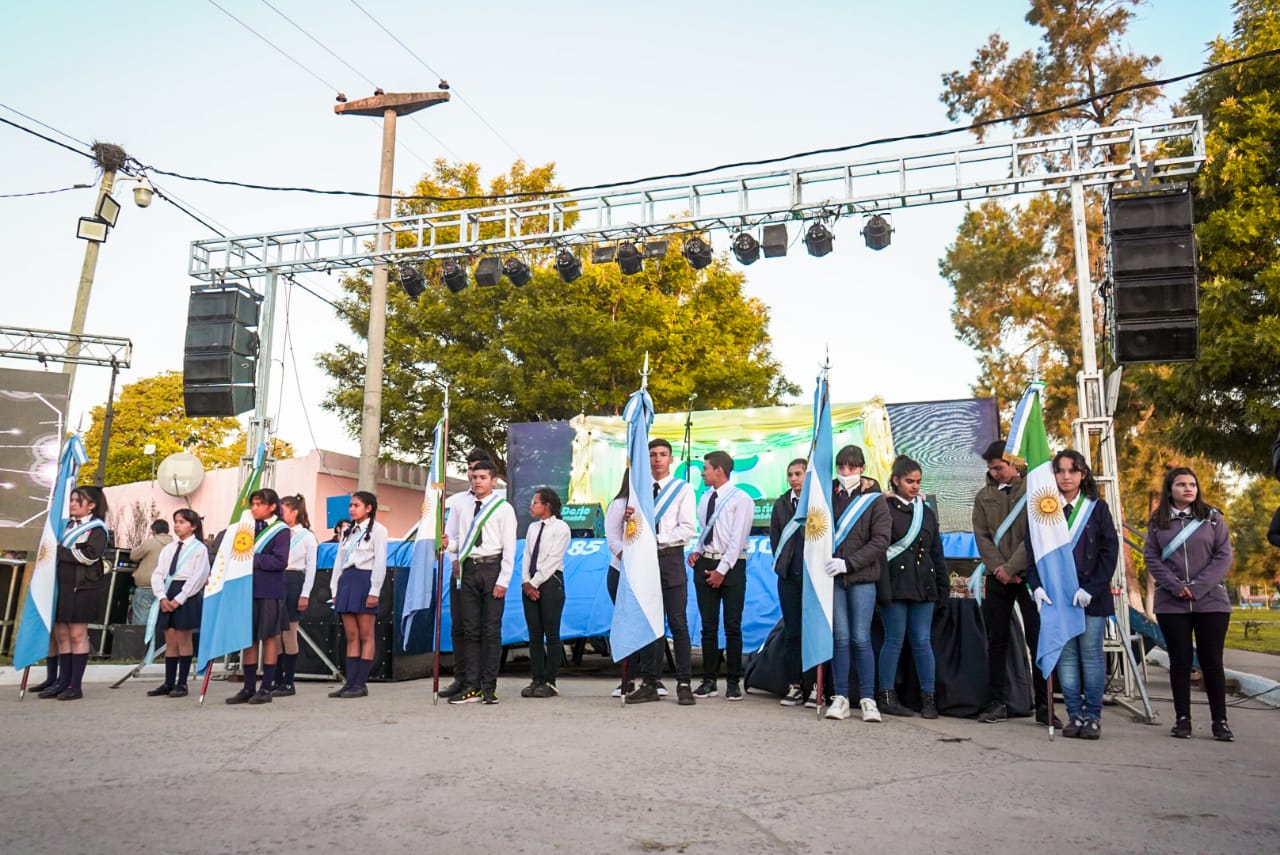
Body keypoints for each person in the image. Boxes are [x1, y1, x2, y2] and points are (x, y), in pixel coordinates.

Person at [1027, 450, 1119, 740]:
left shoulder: (1097, 508)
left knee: (1090, 656)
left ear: (1083, 475)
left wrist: (1091, 588)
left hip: (1089, 596)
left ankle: (1093, 716)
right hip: (1057, 598)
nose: (1066, 477)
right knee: (1065, 658)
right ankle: (1074, 715)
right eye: (1060, 471)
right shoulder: (1045, 509)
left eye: (1072, 471)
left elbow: (1109, 551)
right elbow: (1033, 550)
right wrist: (1035, 585)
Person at [1143, 467, 1235, 742]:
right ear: (1170, 488)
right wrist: (1175, 586)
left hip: (1211, 602)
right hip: (1172, 604)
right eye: (1181, 484)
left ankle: (1220, 721)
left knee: (1211, 662)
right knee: (1180, 662)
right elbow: (1152, 558)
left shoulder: (1213, 518)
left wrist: (1197, 587)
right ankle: (1183, 719)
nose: (1188, 489)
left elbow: (1223, 556)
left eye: (1192, 484)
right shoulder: (1158, 521)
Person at [973, 440, 1058, 726]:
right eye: (991, 469)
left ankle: (1045, 706)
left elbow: (1035, 533)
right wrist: (999, 568)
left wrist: (1013, 567)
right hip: (997, 576)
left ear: (1012, 464)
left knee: (1038, 638)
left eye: (999, 467)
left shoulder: (1034, 491)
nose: (995, 473)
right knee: (997, 640)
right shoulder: (983, 496)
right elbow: (981, 535)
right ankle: (997, 701)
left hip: (1029, 575)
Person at [625, 439, 698, 706]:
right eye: (653, 455)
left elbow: (688, 528)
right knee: (649, 622)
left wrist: (656, 538)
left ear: (670, 459)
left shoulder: (683, 489)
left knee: (677, 622)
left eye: (663, 455)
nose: (657, 459)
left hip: (670, 558)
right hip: (645, 561)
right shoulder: (639, 490)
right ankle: (650, 682)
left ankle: (684, 683)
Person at [876, 455, 948, 719]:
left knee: (921, 641)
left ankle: (928, 699)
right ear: (896, 480)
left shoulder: (926, 512)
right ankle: (886, 695)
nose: (915, 486)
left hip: (923, 585)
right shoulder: (883, 508)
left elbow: (936, 553)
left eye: (918, 481)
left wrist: (943, 588)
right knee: (893, 640)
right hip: (895, 584)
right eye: (909, 481)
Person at [824, 445, 891, 722]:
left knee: (861, 639)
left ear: (861, 468)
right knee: (840, 639)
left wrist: (849, 563)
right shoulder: (828, 495)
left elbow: (880, 541)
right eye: (841, 467)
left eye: (851, 468)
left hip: (862, 577)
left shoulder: (875, 501)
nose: (845, 473)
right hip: (834, 578)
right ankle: (839, 696)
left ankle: (867, 698)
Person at [447, 460, 517, 705]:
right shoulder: (466, 508)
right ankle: (471, 686)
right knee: (471, 630)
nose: (477, 481)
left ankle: (489, 687)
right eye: (474, 476)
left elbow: (509, 548)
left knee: (490, 631)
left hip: (492, 568)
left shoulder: (503, 508)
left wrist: (503, 580)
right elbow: (461, 542)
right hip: (469, 570)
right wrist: (449, 544)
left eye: (483, 477)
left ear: (494, 480)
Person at [688, 450, 754, 701]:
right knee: (708, 626)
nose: (702, 473)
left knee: (732, 626)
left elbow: (737, 539)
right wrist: (696, 551)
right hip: (706, 561)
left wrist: (721, 571)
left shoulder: (741, 499)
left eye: (705, 468)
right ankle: (708, 680)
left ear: (719, 470)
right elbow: (705, 530)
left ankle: (734, 681)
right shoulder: (705, 497)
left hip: (732, 566)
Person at [39, 486, 109, 700]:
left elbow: (89, 556)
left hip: (83, 587)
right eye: (71, 499)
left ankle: (74, 685)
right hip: (63, 586)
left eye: (77, 500)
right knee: (61, 634)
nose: (71, 504)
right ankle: (61, 681)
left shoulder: (97, 529)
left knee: (77, 634)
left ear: (91, 505)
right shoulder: (67, 525)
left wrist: (59, 551)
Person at [226, 489, 291, 706]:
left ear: (272, 507)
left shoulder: (280, 530)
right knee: (248, 638)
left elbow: (280, 561)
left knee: (269, 636)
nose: (254, 508)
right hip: (247, 588)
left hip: (269, 589)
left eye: (258, 504)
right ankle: (248, 686)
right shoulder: (247, 527)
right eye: (252, 504)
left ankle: (266, 687)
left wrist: (251, 558)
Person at [438, 448, 494, 699]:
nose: (473, 474)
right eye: (470, 470)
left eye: (478, 470)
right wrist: (454, 560)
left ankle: (482, 679)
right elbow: (451, 536)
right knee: (460, 627)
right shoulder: (459, 501)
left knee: (483, 626)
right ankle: (461, 677)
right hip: (460, 568)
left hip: (485, 569)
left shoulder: (495, 503)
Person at [329, 491, 388, 699]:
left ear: (369, 508)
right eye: (351, 506)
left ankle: (361, 683)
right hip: (347, 582)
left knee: (366, 634)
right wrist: (334, 589)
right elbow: (339, 561)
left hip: (365, 581)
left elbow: (380, 561)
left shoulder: (379, 530)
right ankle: (350, 682)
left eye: (356, 505)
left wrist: (375, 590)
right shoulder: (348, 531)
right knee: (351, 635)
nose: (352, 509)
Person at [145, 509, 210, 699]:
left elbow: (198, 577)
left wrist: (178, 599)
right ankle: (168, 681)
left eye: (182, 522)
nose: (177, 525)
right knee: (170, 638)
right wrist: (162, 597)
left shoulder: (199, 549)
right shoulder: (169, 549)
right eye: (176, 521)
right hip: (168, 590)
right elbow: (158, 573)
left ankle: (182, 683)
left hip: (186, 595)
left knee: (183, 638)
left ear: (193, 526)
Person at [519, 487, 571, 699]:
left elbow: (553, 559)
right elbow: (527, 555)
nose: (532, 506)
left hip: (550, 582)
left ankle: (551, 680)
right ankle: (536, 678)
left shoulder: (561, 528)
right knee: (534, 634)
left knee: (551, 632)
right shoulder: (532, 528)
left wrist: (536, 582)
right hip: (530, 583)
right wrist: (526, 583)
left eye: (536, 502)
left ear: (547, 506)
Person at [770, 458, 809, 707]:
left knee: (814, 632)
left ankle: (816, 686)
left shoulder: (819, 502)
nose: (794, 479)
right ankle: (795, 685)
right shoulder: (782, 504)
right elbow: (776, 538)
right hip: (789, 577)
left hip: (814, 578)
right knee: (793, 633)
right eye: (790, 475)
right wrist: (783, 564)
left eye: (798, 474)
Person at [272, 494, 318, 697]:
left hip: (294, 581)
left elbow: (311, 568)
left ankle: (289, 681)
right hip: (276, 580)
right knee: (275, 633)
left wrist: (305, 594)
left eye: (284, 510)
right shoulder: (276, 533)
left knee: (289, 633)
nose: (280, 514)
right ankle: (277, 679)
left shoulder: (306, 536)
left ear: (295, 512)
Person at [128, 520, 173, 625]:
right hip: (167, 588)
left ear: (154, 530)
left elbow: (133, 556)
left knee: (141, 621)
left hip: (146, 586)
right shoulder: (175, 545)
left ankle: (140, 642)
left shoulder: (151, 543)